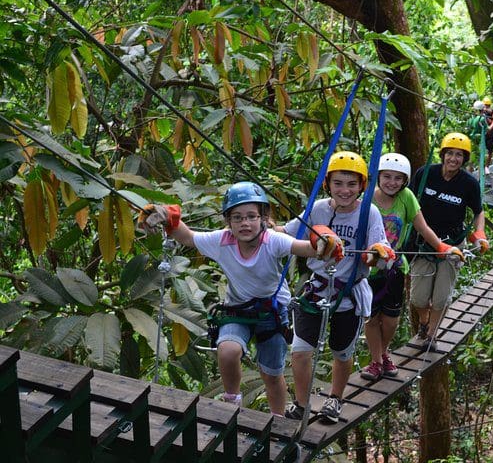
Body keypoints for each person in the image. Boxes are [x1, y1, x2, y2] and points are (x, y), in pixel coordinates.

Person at [137, 182, 343, 416]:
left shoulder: (273, 240)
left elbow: (304, 248)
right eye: (237, 218)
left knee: (272, 376)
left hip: (272, 315)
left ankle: (277, 422)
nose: (245, 223)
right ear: (228, 221)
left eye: (251, 216)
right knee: (228, 351)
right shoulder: (221, 241)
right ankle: (232, 403)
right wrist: (167, 215)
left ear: (263, 218)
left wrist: (324, 242)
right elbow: (188, 237)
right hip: (238, 312)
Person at [277, 151, 394, 424]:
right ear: (328, 183)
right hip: (315, 291)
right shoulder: (317, 209)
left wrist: (378, 254)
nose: (345, 190)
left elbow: (382, 249)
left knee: (342, 351)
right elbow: (288, 231)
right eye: (338, 183)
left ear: (362, 186)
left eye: (352, 184)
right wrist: (259, 228)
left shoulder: (369, 212)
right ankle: (302, 403)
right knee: (301, 350)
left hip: (348, 294)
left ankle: (335, 399)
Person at [360, 153, 464, 381]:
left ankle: (384, 352)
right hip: (367, 269)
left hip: (394, 268)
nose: (392, 182)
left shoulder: (406, 197)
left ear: (405, 181)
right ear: (378, 177)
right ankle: (377, 361)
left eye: (398, 178)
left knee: (390, 320)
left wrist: (443, 247)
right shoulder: (366, 198)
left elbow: (423, 227)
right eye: (387, 177)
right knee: (371, 318)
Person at [408, 133, 489, 351]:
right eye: (450, 153)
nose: (453, 159)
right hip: (424, 243)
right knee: (418, 298)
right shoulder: (425, 174)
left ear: (464, 159)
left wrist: (479, 233)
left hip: (452, 244)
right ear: (443, 154)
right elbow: (408, 201)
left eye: (459, 155)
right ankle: (424, 324)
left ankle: (431, 336)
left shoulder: (469, 184)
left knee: (441, 297)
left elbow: (478, 211)